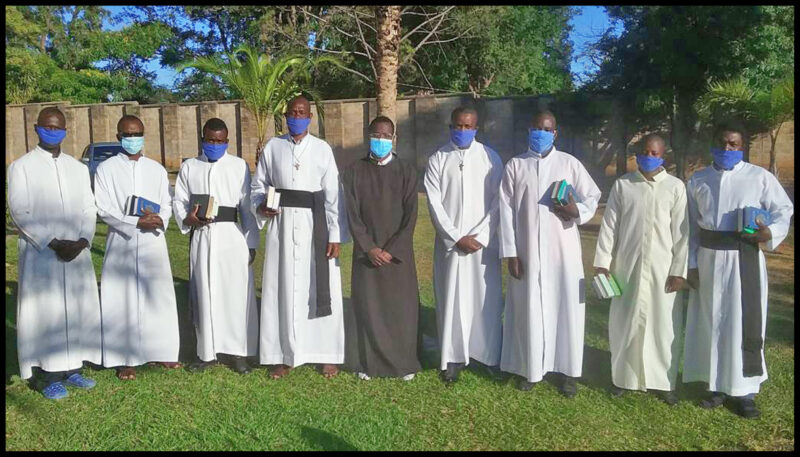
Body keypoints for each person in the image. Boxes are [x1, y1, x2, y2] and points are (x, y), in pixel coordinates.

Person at [683, 122, 793, 419]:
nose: (727, 149)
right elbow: (691, 227)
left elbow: (784, 210)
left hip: (743, 258)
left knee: (743, 322)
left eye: (733, 144)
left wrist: (769, 233)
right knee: (710, 321)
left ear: (742, 147)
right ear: (713, 144)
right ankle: (715, 386)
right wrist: (691, 265)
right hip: (707, 258)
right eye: (722, 143)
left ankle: (745, 392)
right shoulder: (698, 180)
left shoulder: (759, 177)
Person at [498, 110, 601, 397]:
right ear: (529, 130)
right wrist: (511, 252)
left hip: (562, 252)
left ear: (555, 133)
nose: (541, 133)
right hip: (526, 250)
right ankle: (530, 368)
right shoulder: (516, 165)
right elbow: (505, 211)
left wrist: (576, 210)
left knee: (567, 308)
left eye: (547, 129)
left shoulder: (569, 163)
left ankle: (567, 372)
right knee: (528, 308)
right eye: (537, 128)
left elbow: (593, 195)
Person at [7, 107, 101, 399]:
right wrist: (53, 242)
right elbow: (20, 211)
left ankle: (72, 368)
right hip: (42, 253)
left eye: (58, 126)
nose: (53, 130)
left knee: (75, 309)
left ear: (65, 130)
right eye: (47, 126)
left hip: (76, 252)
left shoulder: (78, 168)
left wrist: (83, 239)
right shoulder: (21, 166)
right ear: (36, 128)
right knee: (45, 312)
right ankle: (45, 375)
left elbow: (89, 207)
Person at [251, 95, 345, 380]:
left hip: (315, 226)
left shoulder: (322, 149)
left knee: (318, 286)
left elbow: (333, 195)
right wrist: (261, 206)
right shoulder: (273, 147)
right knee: (283, 288)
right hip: (281, 224)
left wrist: (336, 233)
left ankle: (326, 354)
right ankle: (283, 355)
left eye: (302, 112)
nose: (297, 116)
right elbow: (258, 186)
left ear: (310, 117)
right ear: (286, 115)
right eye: (292, 112)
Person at [593, 134, 689, 405]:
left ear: (663, 157)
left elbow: (683, 233)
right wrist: (602, 263)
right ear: (638, 154)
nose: (649, 156)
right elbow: (609, 226)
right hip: (628, 265)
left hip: (663, 269)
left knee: (663, 324)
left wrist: (679, 270)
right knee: (625, 320)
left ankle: (663, 382)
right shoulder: (624, 185)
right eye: (644, 152)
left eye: (654, 152)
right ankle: (623, 378)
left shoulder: (675, 187)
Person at [94, 115, 181, 381]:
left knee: (158, 295)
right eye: (128, 135)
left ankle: (162, 350)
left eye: (138, 134)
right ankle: (125, 358)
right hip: (123, 240)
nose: (134, 139)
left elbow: (167, 202)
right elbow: (103, 208)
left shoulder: (156, 169)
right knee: (122, 298)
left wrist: (160, 219)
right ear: (119, 137)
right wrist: (133, 222)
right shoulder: (106, 169)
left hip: (152, 240)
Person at [173, 118, 259, 375]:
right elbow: (179, 201)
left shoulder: (238, 166)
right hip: (202, 235)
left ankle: (238, 353)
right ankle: (206, 352)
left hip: (231, 237)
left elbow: (246, 206)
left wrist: (251, 242)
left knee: (235, 295)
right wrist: (187, 219)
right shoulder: (190, 166)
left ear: (227, 141)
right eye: (210, 140)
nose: (215, 145)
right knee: (205, 293)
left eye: (220, 141)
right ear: (203, 139)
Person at [424, 107, 504, 384]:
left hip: (482, 245)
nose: (462, 130)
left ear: (476, 128)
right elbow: (434, 202)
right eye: (458, 125)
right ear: (450, 126)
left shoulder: (490, 158)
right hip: (451, 245)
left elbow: (498, 202)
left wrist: (480, 236)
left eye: (468, 126)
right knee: (451, 298)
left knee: (485, 299)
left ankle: (487, 355)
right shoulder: (437, 159)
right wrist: (456, 236)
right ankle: (453, 357)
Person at [341, 116, 421, 381]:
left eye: (386, 136)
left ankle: (404, 363)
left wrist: (391, 249)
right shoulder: (353, 171)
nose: (381, 140)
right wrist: (369, 247)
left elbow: (411, 216)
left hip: (398, 256)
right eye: (377, 135)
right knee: (368, 307)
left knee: (401, 309)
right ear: (368, 136)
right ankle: (368, 363)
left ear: (394, 139)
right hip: (367, 255)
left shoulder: (407, 171)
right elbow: (352, 215)